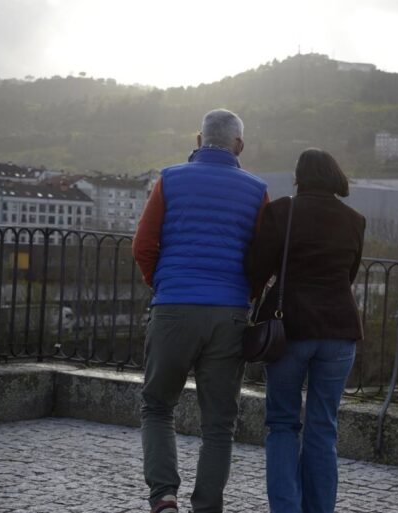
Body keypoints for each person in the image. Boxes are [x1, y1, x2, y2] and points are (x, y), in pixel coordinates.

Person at [132, 108, 269, 513]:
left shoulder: (170, 179)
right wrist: (247, 294)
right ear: (239, 145)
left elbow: (143, 245)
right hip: (229, 314)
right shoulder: (256, 189)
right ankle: (207, 506)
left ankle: (164, 497)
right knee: (219, 424)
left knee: (157, 406)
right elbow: (261, 259)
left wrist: (164, 284)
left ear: (198, 140)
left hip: (173, 307)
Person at [248, 148, 366, 513]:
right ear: (333, 176)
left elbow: (256, 269)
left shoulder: (282, 212)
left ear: (298, 177)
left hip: (290, 330)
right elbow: (349, 275)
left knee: (283, 423)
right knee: (323, 428)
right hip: (340, 331)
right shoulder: (354, 220)